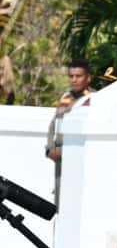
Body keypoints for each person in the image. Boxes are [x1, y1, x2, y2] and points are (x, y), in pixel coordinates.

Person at [45, 59, 92, 208]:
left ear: (88, 78)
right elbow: (54, 124)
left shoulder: (92, 99)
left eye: (78, 76)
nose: (74, 80)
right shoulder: (66, 97)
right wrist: (49, 148)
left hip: (78, 153)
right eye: (71, 76)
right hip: (59, 154)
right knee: (60, 197)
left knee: (76, 198)